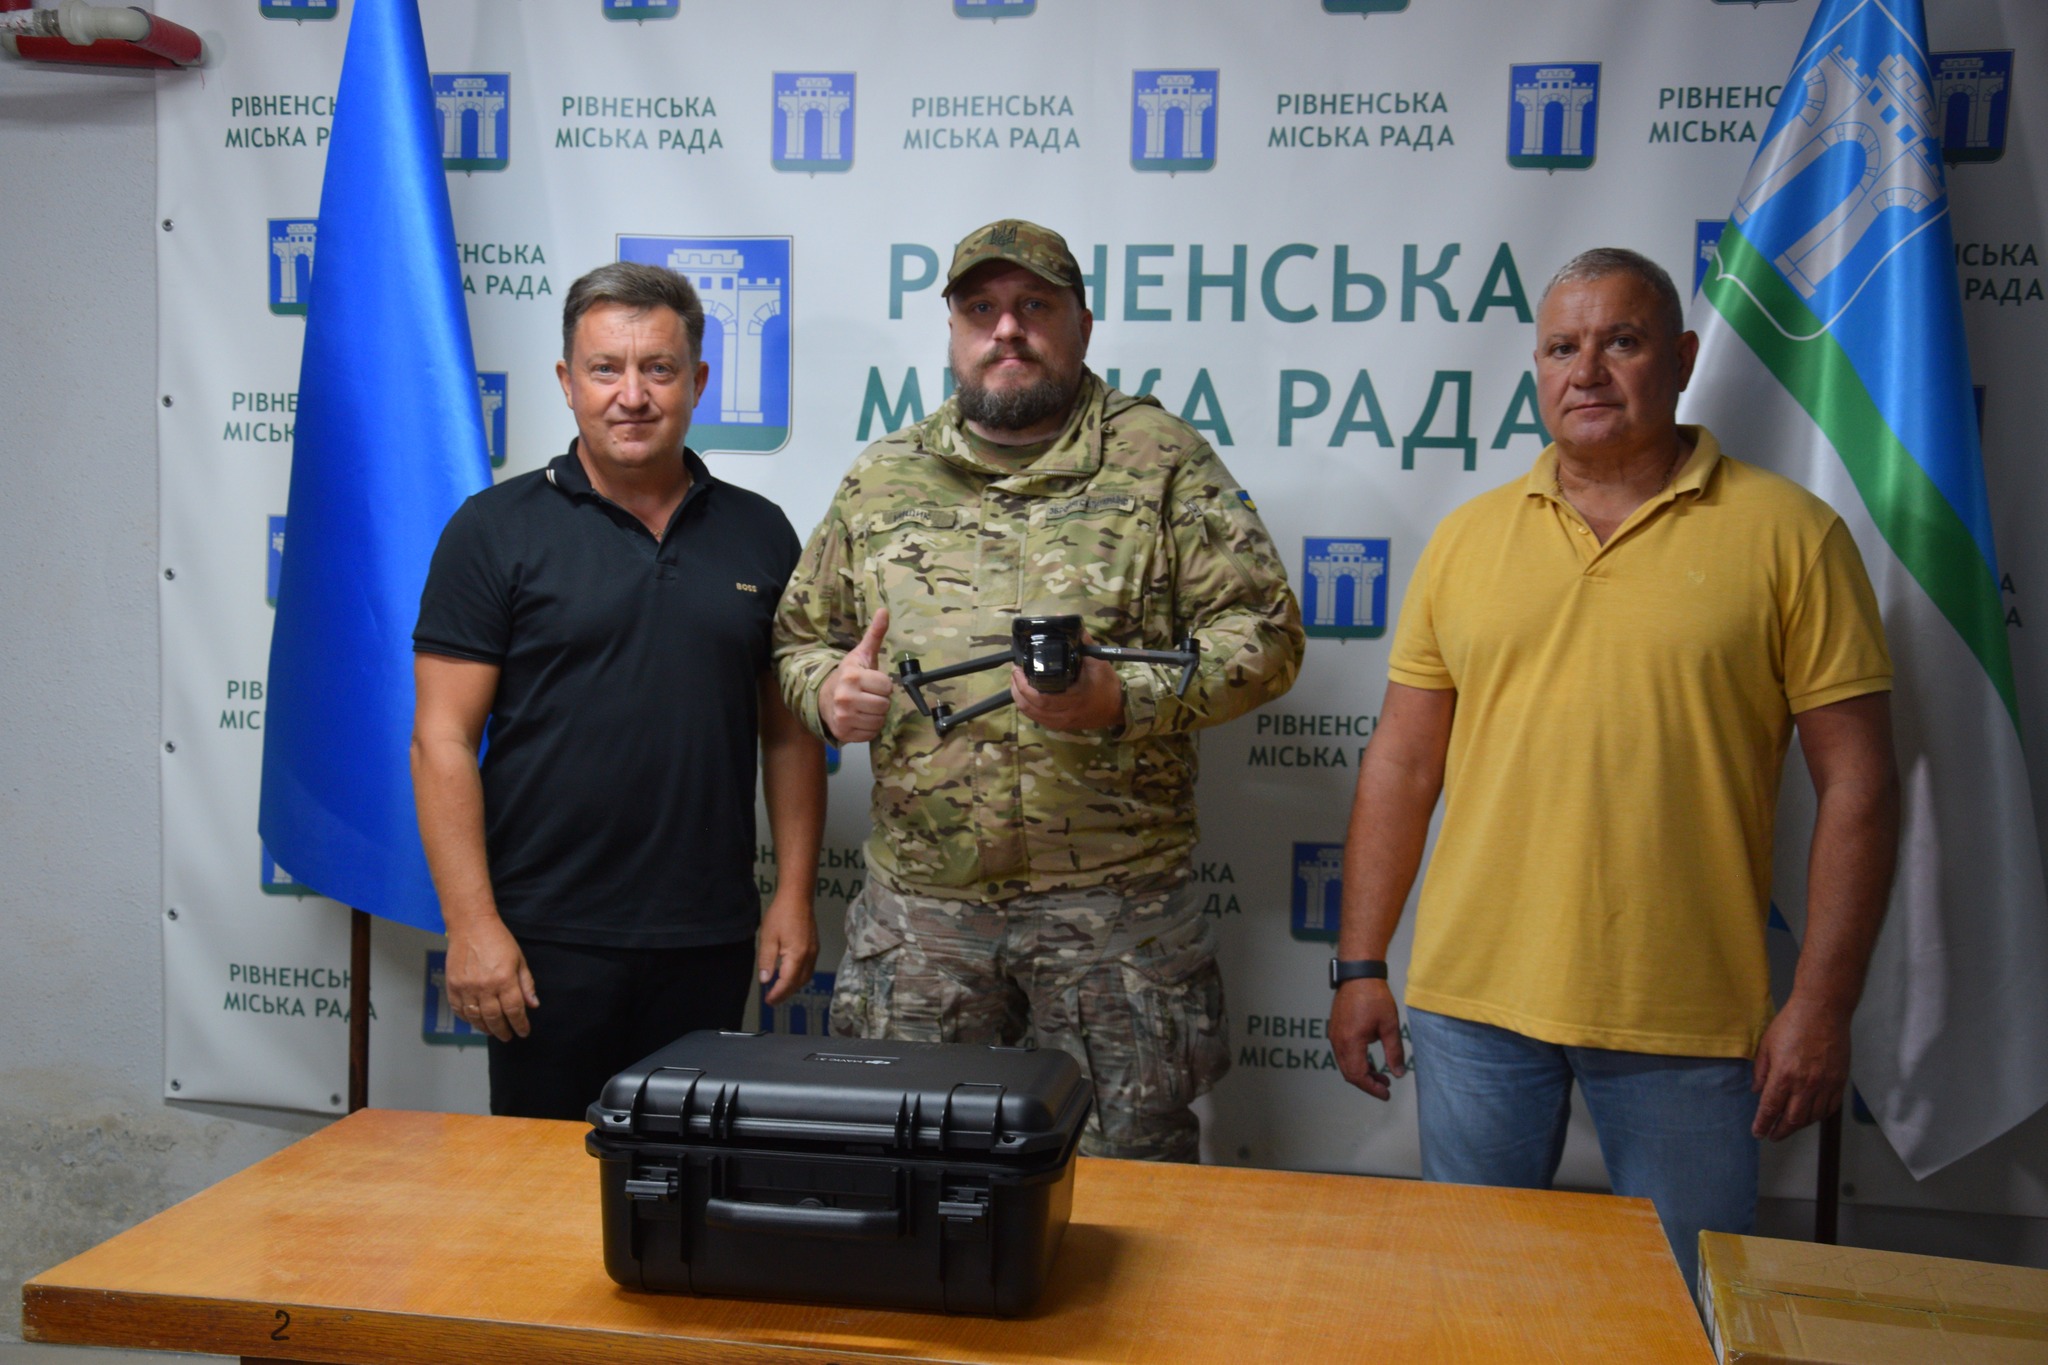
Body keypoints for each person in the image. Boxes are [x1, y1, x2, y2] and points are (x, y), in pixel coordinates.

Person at [1327, 248, 1898, 1286]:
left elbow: (1858, 785)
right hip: (1472, 1007)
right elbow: (1402, 764)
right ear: (1537, 369)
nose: (1585, 370)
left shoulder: (1791, 536)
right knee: (1473, 1308)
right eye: (1561, 347)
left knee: (1682, 1314)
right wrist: (1360, 962)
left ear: (1680, 359)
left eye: (1619, 341)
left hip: (1685, 1015)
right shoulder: (1464, 540)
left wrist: (1821, 1004)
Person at [774, 219, 1305, 1161]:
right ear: (953, 330)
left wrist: (1123, 697)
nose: (1007, 329)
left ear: (1082, 325)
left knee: (1127, 1182)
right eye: (981, 309)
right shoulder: (883, 478)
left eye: (1034, 306)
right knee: (913, 1172)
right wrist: (827, 693)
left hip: (1117, 918)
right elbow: (799, 638)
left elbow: (1264, 635)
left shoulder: (1161, 460)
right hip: (924, 915)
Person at [410, 261, 825, 1120]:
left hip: (708, 939)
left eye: (658, 369)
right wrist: (473, 924)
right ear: (568, 382)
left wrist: (793, 892)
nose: (631, 395)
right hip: (543, 944)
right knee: (541, 1190)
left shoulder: (761, 533)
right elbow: (440, 739)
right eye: (606, 369)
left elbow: (789, 733)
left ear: (697, 382)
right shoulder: (493, 532)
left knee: (689, 1180)